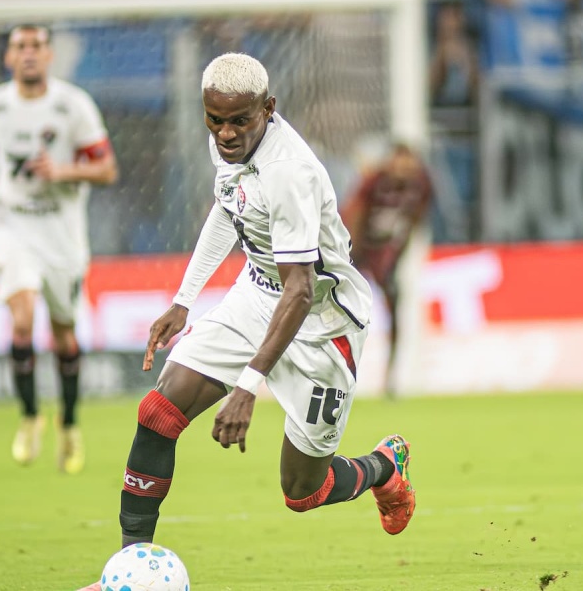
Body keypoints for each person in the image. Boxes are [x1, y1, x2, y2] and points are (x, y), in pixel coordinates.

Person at [108, 53, 415, 562]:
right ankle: (130, 566)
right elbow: (229, 208)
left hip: (320, 324)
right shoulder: (228, 143)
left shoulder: (289, 174)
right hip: (255, 296)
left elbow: (298, 291)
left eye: (239, 122)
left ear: (268, 109)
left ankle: (385, 466)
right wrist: (184, 301)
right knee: (158, 413)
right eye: (215, 121)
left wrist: (248, 387)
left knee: (303, 492)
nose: (225, 135)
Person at [0, 24, 118, 474]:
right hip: (11, 226)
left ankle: (68, 424)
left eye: (36, 46)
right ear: (8, 57)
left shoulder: (73, 105)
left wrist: (64, 171)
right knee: (22, 317)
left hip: (60, 233)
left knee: (64, 335)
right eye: (19, 46)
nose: (28, 53)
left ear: (49, 55)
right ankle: (30, 417)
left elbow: (108, 169)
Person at [341, 143, 433, 398]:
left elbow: (414, 221)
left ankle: (390, 379)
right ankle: (332, 374)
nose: (404, 168)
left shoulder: (422, 185)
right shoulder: (374, 181)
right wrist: (351, 258)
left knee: (395, 308)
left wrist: (394, 258)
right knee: (340, 313)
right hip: (354, 249)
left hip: (385, 253)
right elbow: (354, 213)